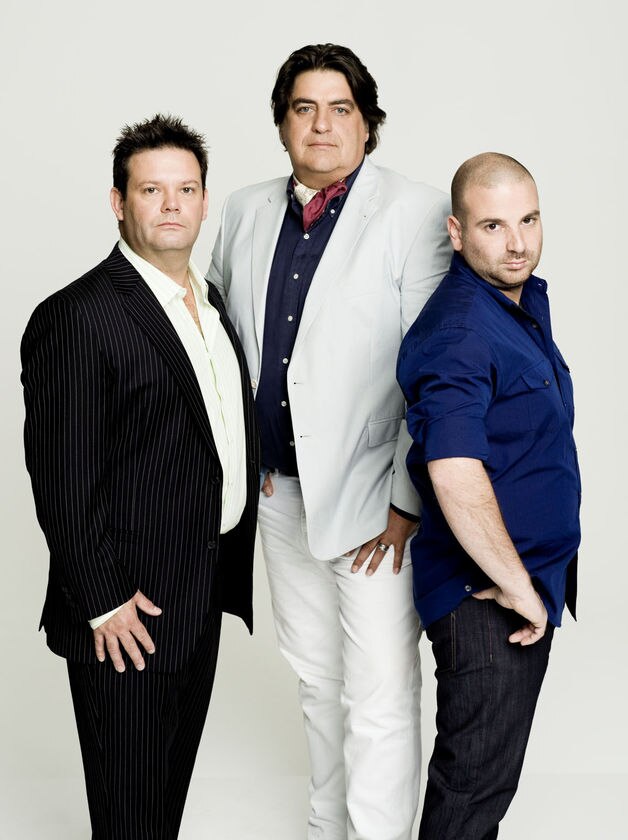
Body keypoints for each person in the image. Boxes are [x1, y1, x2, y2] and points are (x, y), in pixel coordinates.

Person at [208, 43, 450, 840]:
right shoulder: (243, 209)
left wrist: (408, 499)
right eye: (304, 108)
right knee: (316, 677)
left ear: (367, 123)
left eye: (340, 108)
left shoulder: (414, 211)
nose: (321, 124)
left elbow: (432, 359)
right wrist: (240, 462)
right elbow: (220, 342)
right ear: (282, 124)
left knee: (378, 690)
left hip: (376, 496)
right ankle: (327, 827)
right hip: (278, 490)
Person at [21, 114, 259, 839]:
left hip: (198, 595)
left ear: (205, 201)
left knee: (162, 810)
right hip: (126, 613)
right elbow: (61, 478)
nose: (171, 204)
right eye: (151, 190)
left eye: (186, 189)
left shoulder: (210, 307)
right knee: (128, 819)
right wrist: (102, 603)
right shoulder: (78, 315)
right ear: (119, 203)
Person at [397, 152, 581, 839]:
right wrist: (519, 587)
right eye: (494, 226)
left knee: (485, 789)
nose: (518, 243)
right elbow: (452, 469)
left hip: (519, 582)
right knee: (471, 793)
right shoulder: (460, 331)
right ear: (456, 231)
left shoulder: (517, 304)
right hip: (487, 597)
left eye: (528, 220)